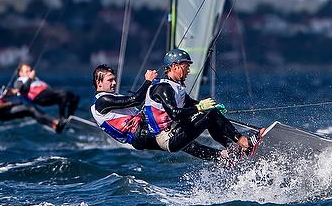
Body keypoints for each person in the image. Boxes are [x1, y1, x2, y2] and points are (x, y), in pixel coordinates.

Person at [91, 64, 229, 161]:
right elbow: (135, 100)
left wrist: (202, 105)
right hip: (140, 134)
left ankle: (223, 157)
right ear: (99, 82)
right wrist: (148, 81)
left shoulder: (109, 98)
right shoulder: (102, 102)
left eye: (114, 79)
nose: (114, 83)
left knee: (185, 142)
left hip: (141, 132)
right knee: (184, 128)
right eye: (110, 80)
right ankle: (229, 149)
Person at [144, 48, 252, 156]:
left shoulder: (173, 86)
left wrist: (212, 107)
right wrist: (200, 108)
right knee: (209, 114)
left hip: (173, 133)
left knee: (210, 113)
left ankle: (233, 149)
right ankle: (244, 142)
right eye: (186, 66)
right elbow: (175, 114)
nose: (188, 71)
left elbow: (192, 103)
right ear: (174, 66)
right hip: (168, 139)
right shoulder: (163, 88)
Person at [0, 63, 61, 132]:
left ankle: (52, 125)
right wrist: (12, 103)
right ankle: (54, 123)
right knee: (29, 108)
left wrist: (13, 91)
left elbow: (1, 95)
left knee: (29, 110)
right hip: (1, 113)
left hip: (4, 108)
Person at [15, 63, 80, 119]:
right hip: (39, 96)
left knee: (74, 97)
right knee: (64, 93)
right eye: (27, 71)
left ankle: (70, 117)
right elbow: (24, 90)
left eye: (30, 70)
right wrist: (30, 78)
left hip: (47, 94)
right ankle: (62, 118)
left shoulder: (36, 79)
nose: (30, 72)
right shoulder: (19, 80)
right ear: (20, 73)